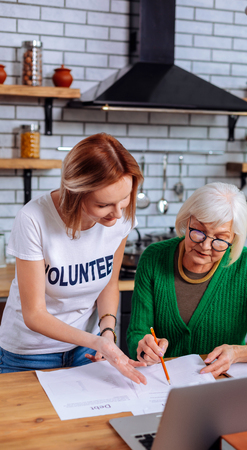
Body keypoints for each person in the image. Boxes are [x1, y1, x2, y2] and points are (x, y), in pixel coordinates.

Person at [0, 133, 147, 384]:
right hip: (29, 355)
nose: (117, 214)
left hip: (85, 351)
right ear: (75, 192)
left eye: (124, 200)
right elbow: (34, 314)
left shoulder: (121, 218)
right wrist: (97, 340)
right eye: (104, 205)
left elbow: (109, 283)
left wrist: (107, 334)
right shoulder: (33, 218)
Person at [127, 182, 247, 378]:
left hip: (219, 389)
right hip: (161, 387)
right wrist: (144, 347)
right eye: (198, 231)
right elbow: (137, 334)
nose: (206, 246)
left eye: (220, 239)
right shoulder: (153, 258)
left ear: (233, 239)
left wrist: (239, 353)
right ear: (187, 220)